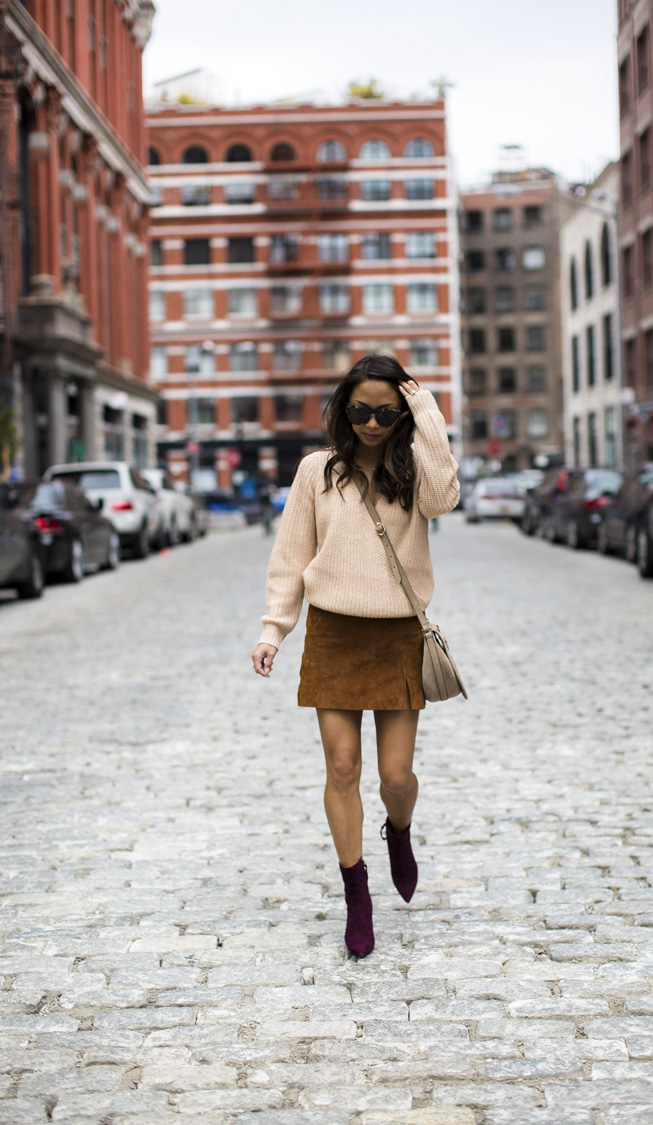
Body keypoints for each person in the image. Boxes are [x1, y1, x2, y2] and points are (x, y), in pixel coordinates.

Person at [252, 354, 459, 957]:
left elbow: (445, 499)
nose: (372, 423)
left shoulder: (416, 469)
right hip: (334, 634)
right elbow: (290, 557)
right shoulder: (317, 471)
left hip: (398, 636)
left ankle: (400, 831)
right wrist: (273, 630)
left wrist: (426, 414)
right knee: (342, 769)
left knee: (395, 777)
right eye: (361, 411)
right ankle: (356, 892)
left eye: (386, 412)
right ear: (344, 410)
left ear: (402, 412)